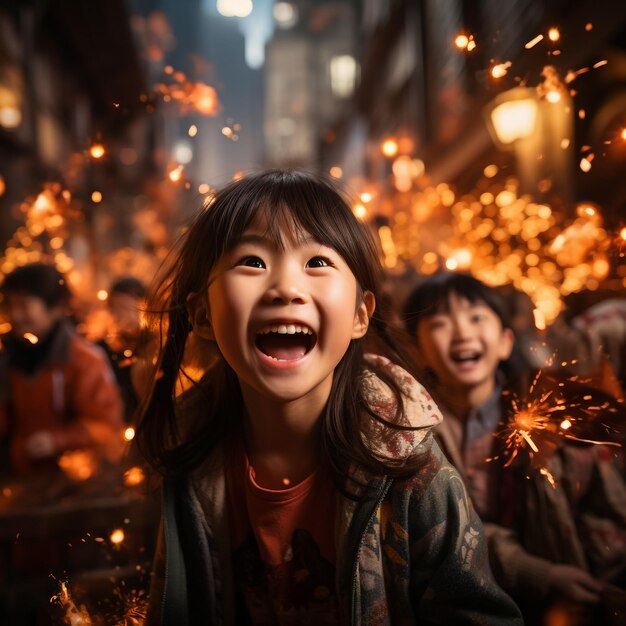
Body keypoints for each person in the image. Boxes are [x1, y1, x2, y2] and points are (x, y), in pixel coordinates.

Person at [137, 170, 522, 625]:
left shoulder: (409, 468)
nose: (285, 288)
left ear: (361, 314)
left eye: (317, 262)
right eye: (253, 262)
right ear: (202, 314)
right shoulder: (190, 461)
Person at [402, 272, 626, 625]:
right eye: (441, 323)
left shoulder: (554, 419)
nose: (462, 333)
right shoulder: (411, 433)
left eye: (476, 317)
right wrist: (541, 574)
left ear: (506, 341)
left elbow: (608, 510)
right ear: (417, 349)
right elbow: (440, 531)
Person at [0, 263, 124, 474]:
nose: (15, 315)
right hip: (20, 481)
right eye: (10, 306)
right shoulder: (8, 358)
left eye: (24, 305)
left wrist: (56, 441)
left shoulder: (84, 360)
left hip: (79, 483)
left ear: (54, 308)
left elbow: (107, 429)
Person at [97, 276, 147, 423]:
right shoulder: (97, 351)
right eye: (115, 308)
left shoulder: (152, 351)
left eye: (127, 309)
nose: (120, 316)